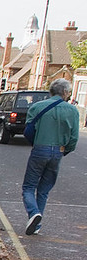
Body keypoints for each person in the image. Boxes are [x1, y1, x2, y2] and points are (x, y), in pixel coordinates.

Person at [21, 78, 80, 236]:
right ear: (65, 92)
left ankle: (33, 213)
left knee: (28, 187)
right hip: (57, 151)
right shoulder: (73, 110)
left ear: (51, 91)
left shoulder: (37, 107)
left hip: (40, 149)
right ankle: (37, 224)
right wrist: (63, 150)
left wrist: (38, 143)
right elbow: (74, 138)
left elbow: (28, 131)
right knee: (44, 190)